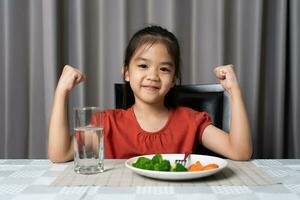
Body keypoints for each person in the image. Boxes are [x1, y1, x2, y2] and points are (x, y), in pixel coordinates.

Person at [48, 25, 252, 162]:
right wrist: (61, 92)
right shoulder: (107, 123)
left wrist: (234, 91)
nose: (153, 75)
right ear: (126, 72)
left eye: (164, 69)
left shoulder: (190, 121)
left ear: (173, 79)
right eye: (143, 65)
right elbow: (60, 154)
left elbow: (240, 152)